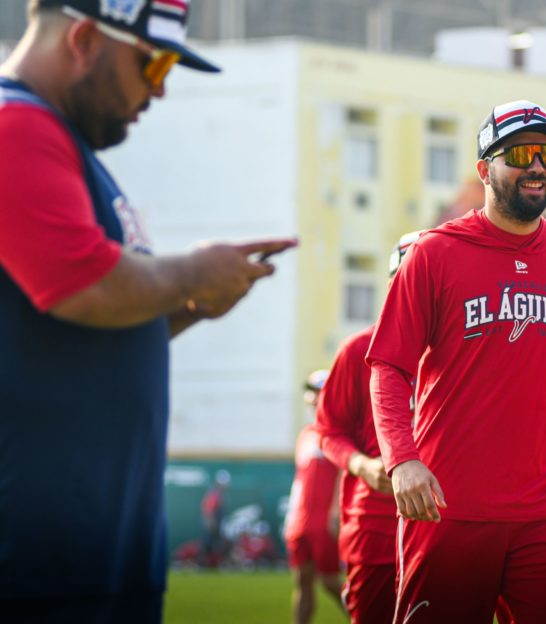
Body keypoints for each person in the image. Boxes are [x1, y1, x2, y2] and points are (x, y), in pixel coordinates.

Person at [0, 1, 296, 621]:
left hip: (90, 552)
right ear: (85, 39)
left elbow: (76, 330)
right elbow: (85, 286)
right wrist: (194, 272)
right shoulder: (14, 125)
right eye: (153, 64)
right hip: (39, 560)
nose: (160, 91)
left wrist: (190, 305)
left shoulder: (59, 145)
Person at [366, 99, 546, 624]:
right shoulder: (434, 253)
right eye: (519, 154)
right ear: (484, 170)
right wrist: (402, 460)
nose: (537, 166)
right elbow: (387, 366)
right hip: (448, 508)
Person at [315, 231, 422, 624]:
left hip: (448, 530)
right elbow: (328, 430)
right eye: (409, 281)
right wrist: (362, 465)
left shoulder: (465, 352)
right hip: (375, 530)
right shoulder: (358, 350)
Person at [284, 370, 343, 624]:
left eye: (319, 392)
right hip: (300, 521)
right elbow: (300, 479)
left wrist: (336, 512)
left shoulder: (341, 430)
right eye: (311, 392)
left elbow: (344, 473)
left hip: (325, 520)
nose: (313, 398)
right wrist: (291, 516)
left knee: (330, 581)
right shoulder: (305, 434)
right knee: (302, 580)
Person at [200, 469, 231, 567]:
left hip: (218, 527)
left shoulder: (221, 495)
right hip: (213, 527)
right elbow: (208, 511)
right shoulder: (214, 494)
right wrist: (211, 524)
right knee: (209, 547)